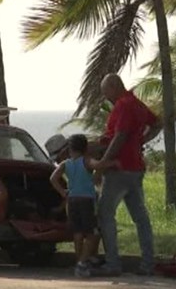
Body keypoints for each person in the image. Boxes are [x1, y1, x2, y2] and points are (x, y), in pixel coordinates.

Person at [91, 73, 163, 277]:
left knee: (105, 214)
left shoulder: (123, 105)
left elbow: (119, 138)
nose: (106, 97)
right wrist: (141, 141)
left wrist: (101, 166)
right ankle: (148, 263)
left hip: (119, 169)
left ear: (114, 87)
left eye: (106, 93)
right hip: (136, 169)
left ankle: (113, 263)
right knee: (141, 218)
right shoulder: (137, 104)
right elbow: (157, 123)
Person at [49, 134, 116, 277]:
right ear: (85, 148)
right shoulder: (85, 161)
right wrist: (112, 163)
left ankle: (78, 262)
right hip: (86, 200)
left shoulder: (65, 164)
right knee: (92, 233)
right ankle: (82, 263)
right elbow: (97, 165)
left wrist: (63, 192)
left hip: (72, 200)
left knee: (78, 233)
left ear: (69, 149)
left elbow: (53, 178)